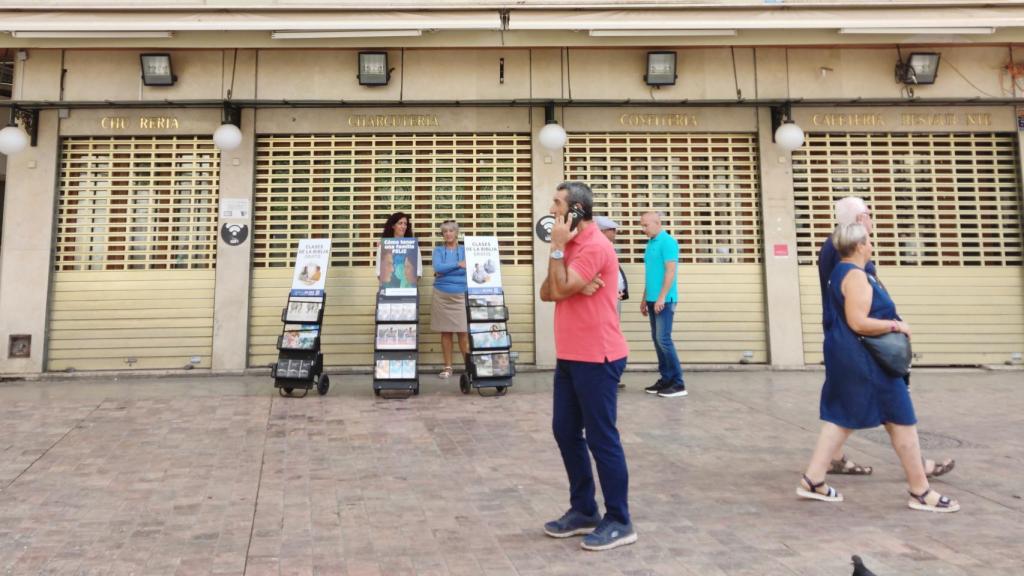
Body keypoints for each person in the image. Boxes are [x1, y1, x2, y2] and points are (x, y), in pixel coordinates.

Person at [797, 223, 960, 513]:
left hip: (848, 357)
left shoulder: (841, 272)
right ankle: (920, 491)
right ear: (859, 245)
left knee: (842, 418)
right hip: (868, 361)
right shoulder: (855, 276)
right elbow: (858, 322)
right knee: (901, 419)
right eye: (869, 240)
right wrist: (896, 325)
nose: (871, 245)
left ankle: (813, 479)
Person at [819, 197, 955, 479]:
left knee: (844, 408)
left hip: (846, 340)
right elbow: (858, 308)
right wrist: (892, 325)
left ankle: (828, 464)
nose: (871, 220)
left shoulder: (833, 247)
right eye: (868, 214)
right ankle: (918, 478)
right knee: (893, 409)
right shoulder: (848, 256)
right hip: (861, 343)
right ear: (859, 219)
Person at [540, 181, 636, 551]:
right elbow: (547, 292)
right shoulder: (570, 244)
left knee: (601, 437)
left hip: (598, 356)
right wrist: (568, 276)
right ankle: (583, 510)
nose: (552, 209)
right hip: (570, 355)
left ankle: (620, 520)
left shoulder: (594, 245)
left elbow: (559, 289)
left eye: (557, 203)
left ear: (576, 209)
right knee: (565, 431)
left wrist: (558, 256)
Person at [639, 211, 686, 398]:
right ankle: (666, 379)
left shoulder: (668, 242)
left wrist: (661, 297)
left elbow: (670, 272)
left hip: (664, 301)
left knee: (664, 340)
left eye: (646, 225)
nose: (643, 229)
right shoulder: (650, 244)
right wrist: (645, 298)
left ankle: (678, 383)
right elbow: (651, 274)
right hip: (653, 299)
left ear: (657, 223)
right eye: (642, 226)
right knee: (658, 341)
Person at [431, 220, 469, 379]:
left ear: (456, 233)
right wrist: (459, 265)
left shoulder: (465, 250)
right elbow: (438, 268)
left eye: (451, 231)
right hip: (441, 294)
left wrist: (446, 270)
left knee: (463, 332)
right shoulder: (438, 250)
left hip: (460, 294)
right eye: (445, 231)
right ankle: (448, 367)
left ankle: (469, 367)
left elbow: (468, 269)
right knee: (445, 332)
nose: (448, 234)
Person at [376, 211, 423, 288]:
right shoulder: (384, 246)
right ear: (393, 226)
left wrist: (407, 288)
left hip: (408, 291)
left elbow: (418, 272)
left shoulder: (413, 246)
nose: (403, 226)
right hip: (388, 291)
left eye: (405, 224)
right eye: (400, 223)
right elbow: (379, 273)